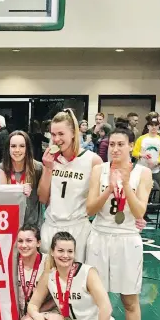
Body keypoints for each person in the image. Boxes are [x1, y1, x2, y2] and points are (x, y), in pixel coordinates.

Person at [86, 122, 152, 320]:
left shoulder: (142, 173)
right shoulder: (99, 170)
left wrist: (125, 185)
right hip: (100, 236)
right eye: (111, 144)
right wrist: (106, 190)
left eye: (120, 144)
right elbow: (90, 210)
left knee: (129, 299)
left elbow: (139, 212)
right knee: (96, 298)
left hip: (127, 238)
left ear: (130, 147)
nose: (115, 149)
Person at [38, 109, 102, 262]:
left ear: (73, 133)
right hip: (51, 225)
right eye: (53, 135)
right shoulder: (49, 159)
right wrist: (47, 168)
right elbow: (42, 197)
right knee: (49, 280)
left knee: (77, 282)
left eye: (61, 134)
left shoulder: (93, 160)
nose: (56, 139)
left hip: (78, 227)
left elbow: (101, 199)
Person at [16, 225, 57, 320]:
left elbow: (57, 298)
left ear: (38, 243)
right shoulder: (11, 262)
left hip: (45, 309)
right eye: (20, 241)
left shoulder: (49, 262)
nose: (24, 245)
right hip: (20, 311)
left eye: (29, 240)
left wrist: (34, 312)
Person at [0, 131, 43, 226]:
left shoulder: (38, 168)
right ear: (8, 148)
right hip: (7, 225)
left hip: (32, 228)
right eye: (13, 146)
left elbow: (44, 197)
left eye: (22, 146)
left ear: (27, 148)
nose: (17, 150)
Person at [132, 117, 160, 200]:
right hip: (141, 169)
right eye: (151, 125)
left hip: (155, 170)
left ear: (158, 127)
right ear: (148, 127)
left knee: (156, 190)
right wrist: (142, 155)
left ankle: (154, 207)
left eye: (156, 125)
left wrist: (157, 162)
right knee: (139, 189)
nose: (154, 127)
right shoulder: (141, 139)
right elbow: (134, 153)